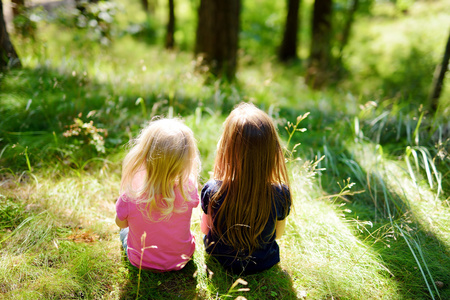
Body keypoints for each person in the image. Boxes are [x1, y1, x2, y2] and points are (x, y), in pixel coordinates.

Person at [200, 102, 292, 275]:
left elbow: (205, 230)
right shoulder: (280, 194)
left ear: (226, 149)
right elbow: (278, 235)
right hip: (264, 262)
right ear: (271, 151)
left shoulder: (212, 190)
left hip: (221, 259)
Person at [115, 118, 200, 272]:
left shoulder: (132, 195)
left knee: (124, 232)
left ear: (144, 155)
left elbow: (121, 224)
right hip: (182, 259)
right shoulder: (189, 188)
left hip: (141, 261)